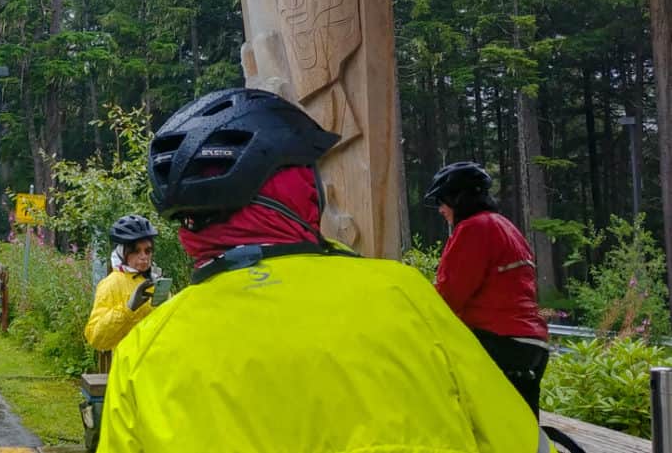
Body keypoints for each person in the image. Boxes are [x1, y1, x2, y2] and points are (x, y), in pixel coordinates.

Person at [98, 88, 554, 453]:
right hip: (521, 340)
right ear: (303, 192)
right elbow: (516, 439)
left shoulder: (145, 350)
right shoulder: (401, 294)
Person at [424, 161, 550, 418]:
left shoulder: (472, 229)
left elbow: (448, 297)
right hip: (531, 345)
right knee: (520, 432)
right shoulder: (505, 226)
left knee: (438, 395)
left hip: (498, 341)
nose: (440, 210)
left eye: (442, 202)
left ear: (457, 198)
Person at [84, 215, 162, 352]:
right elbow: (96, 338)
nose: (144, 256)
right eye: (136, 251)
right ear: (122, 253)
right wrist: (128, 308)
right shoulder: (111, 284)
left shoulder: (155, 281)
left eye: (148, 251)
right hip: (127, 368)